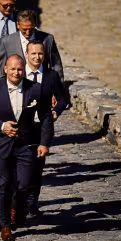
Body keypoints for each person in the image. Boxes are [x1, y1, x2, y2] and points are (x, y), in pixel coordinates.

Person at [0, 55, 54, 241]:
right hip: (1, 143)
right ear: (5, 69)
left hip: (26, 143)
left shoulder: (35, 89)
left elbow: (45, 118)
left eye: (19, 69)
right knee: (4, 183)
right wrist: (2, 126)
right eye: (12, 69)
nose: (16, 73)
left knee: (24, 183)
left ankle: (18, 210)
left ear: (24, 69)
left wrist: (44, 143)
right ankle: (5, 225)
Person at [23, 40, 70, 220]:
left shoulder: (51, 76)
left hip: (41, 128)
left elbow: (62, 99)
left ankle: (32, 204)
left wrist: (55, 111)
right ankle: (19, 201)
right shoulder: (20, 74)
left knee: (37, 168)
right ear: (27, 54)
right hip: (22, 128)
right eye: (33, 53)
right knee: (21, 167)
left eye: (40, 54)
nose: (37, 57)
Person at [0, 9, 64, 80]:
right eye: (24, 29)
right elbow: (1, 70)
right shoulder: (7, 42)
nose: (28, 33)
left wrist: (59, 86)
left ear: (35, 24)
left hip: (41, 85)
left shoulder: (47, 39)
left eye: (31, 29)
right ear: (18, 25)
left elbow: (56, 65)